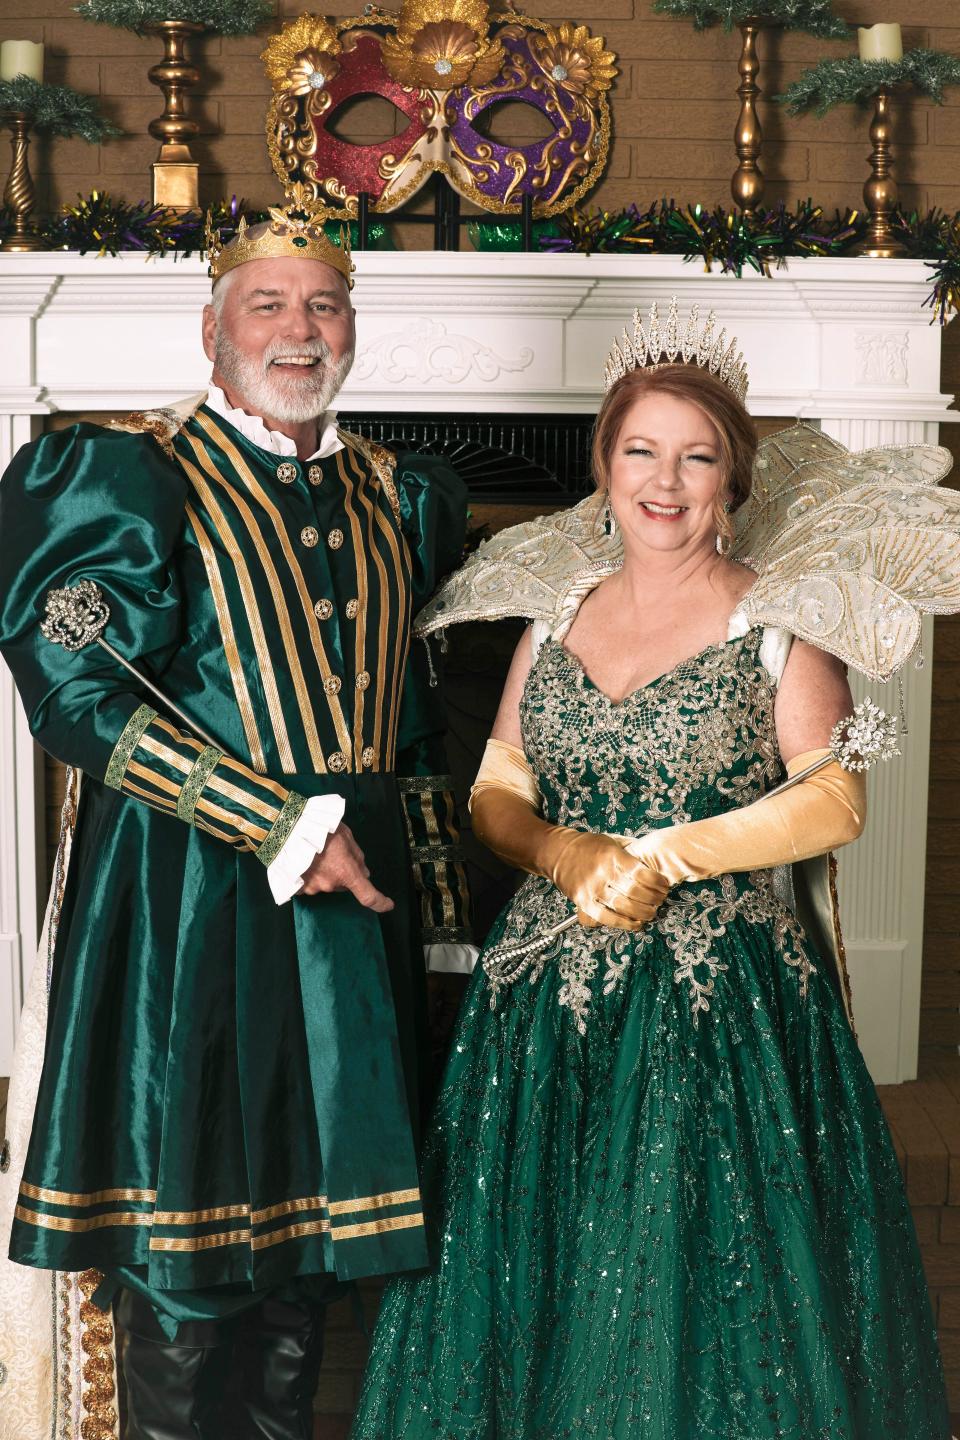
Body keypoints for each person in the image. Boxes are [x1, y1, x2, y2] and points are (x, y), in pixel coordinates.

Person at [350, 303, 952, 1438]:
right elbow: (497, 790)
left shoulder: (781, 617)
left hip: (715, 993)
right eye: (641, 451)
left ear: (732, 475)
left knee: (688, 1269)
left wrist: (668, 853)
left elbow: (833, 796)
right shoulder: (557, 611)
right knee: (536, 1264)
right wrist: (564, 850)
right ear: (604, 463)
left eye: (696, 455)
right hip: (539, 1000)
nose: (664, 481)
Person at [0, 195, 471, 1439]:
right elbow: (78, 696)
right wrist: (276, 823)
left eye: (322, 304)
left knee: (308, 1261)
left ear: (353, 326)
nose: (299, 329)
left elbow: (416, 731)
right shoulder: (127, 477)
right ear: (212, 331)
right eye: (268, 304)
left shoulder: (398, 496)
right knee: (190, 1258)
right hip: (188, 907)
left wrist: (444, 932)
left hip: (354, 922)